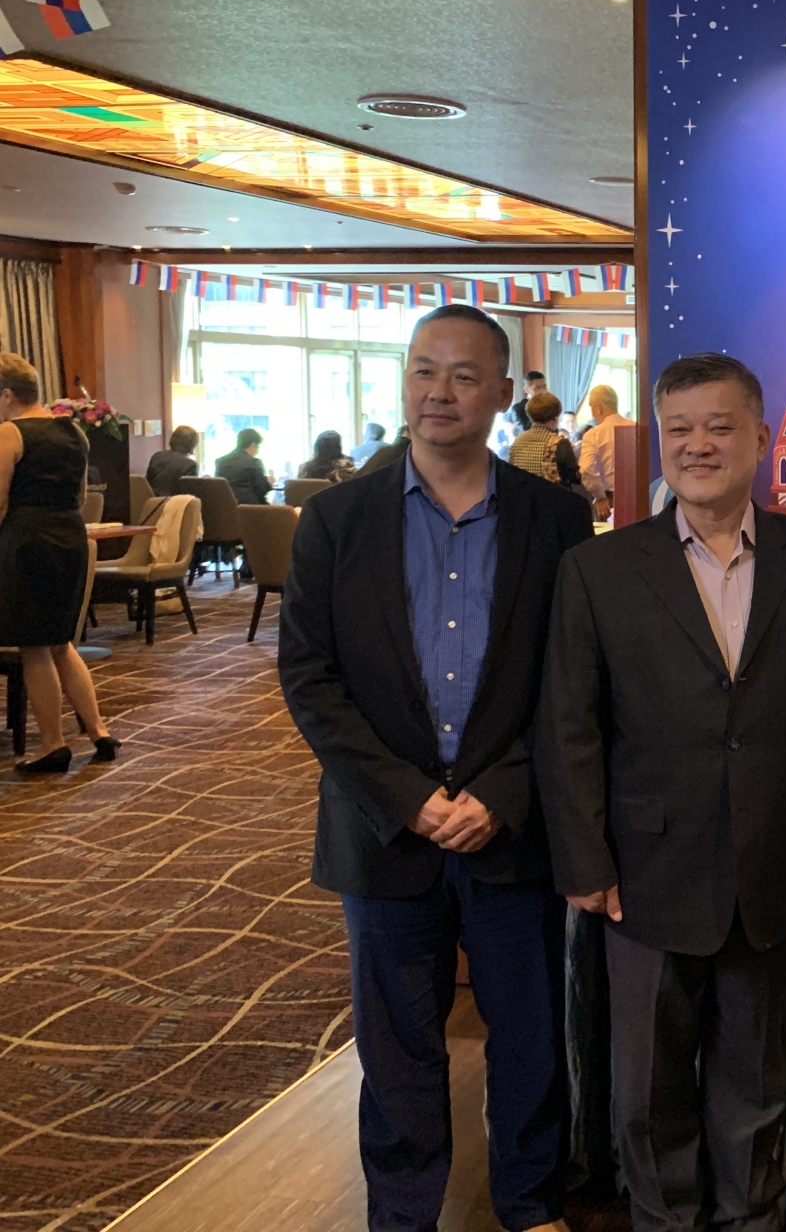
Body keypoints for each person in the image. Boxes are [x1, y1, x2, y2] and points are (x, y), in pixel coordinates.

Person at [279, 304, 593, 1232]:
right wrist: (409, 798)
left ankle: (530, 1199)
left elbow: (573, 679)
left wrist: (502, 791)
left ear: (503, 393)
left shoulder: (556, 517)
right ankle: (405, 1210)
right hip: (383, 830)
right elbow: (310, 677)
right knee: (396, 1043)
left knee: (529, 1032)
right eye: (423, 370)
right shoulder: (336, 519)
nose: (439, 392)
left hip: (512, 823)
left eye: (463, 375)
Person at [538, 352, 786, 1232]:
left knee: (760, 1079)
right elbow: (569, 725)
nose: (698, 445)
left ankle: (752, 1218)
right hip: (643, 870)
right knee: (647, 1088)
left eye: (719, 426)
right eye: (679, 429)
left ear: (761, 436)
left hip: (775, 862)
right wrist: (586, 860)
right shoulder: (599, 568)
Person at [0, 354, 120, 778]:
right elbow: (82, 495)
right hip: (71, 536)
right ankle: (99, 732)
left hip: (27, 541)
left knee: (34, 646)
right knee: (61, 642)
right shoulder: (73, 432)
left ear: (8, 394)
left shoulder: (10, 432)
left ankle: (52, 744)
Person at [577, 384, 635, 517]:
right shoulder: (636, 428)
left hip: (609, 500)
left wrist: (600, 496)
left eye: (591, 407)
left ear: (598, 408)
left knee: (608, 530)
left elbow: (587, 468)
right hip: (637, 496)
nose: (592, 413)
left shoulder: (593, 435)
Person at [508, 392, 582, 488]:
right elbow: (575, 477)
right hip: (551, 495)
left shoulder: (517, 441)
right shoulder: (559, 443)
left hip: (523, 494)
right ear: (555, 418)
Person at [215, 428, 273, 505]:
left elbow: (219, 487)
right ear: (253, 445)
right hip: (250, 507)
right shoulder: (254, 463)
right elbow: (261, 490)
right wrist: (268, 482)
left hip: (227, 507)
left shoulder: (220, 462)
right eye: (258, 447)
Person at [145, 426, 200, 499]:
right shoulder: (190, 465)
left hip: (152, 503)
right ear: (192, 445)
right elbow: (190, 496)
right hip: (176, 504)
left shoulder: (157, 457)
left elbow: (147, 485)